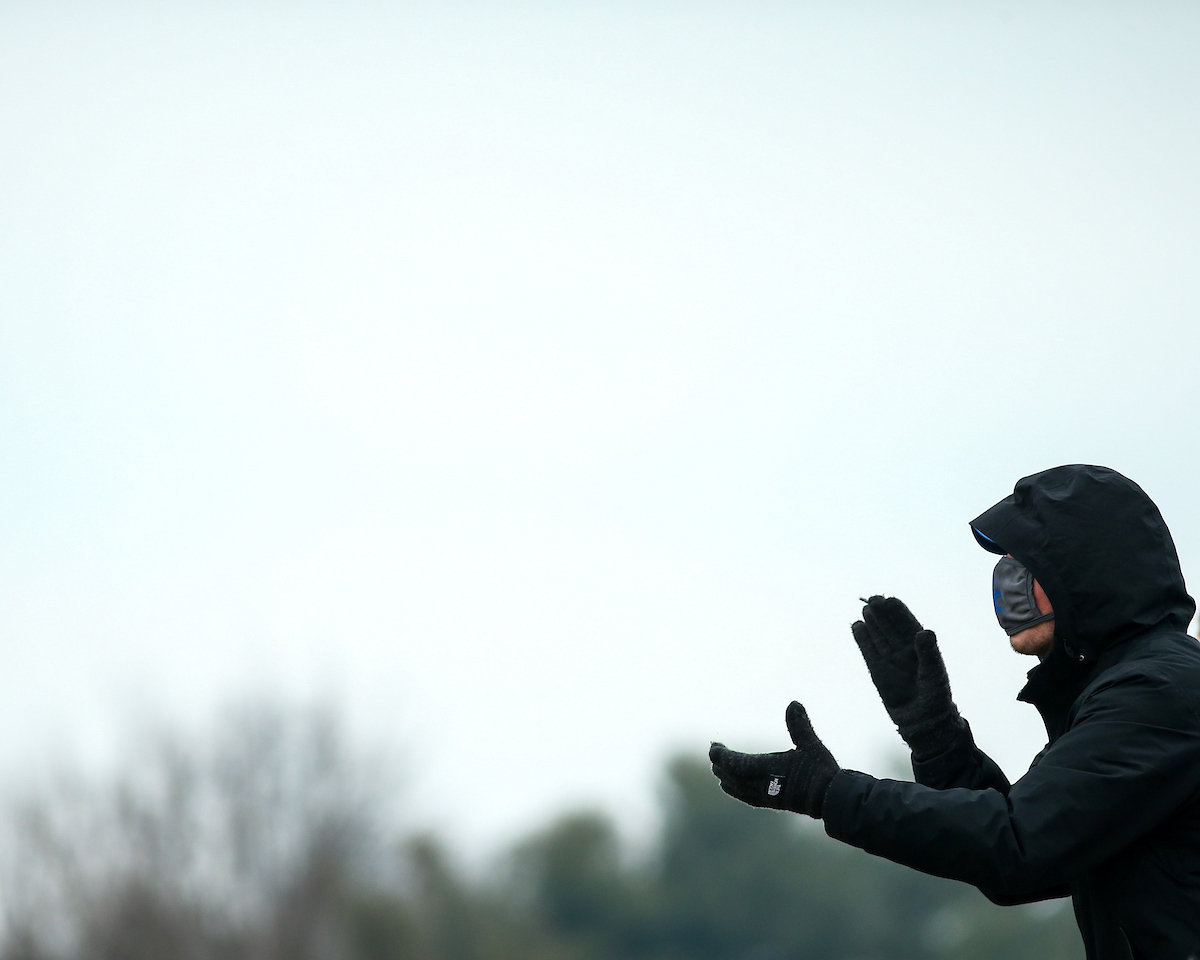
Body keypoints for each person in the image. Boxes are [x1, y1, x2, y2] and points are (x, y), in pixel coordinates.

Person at [709, 464, 1200, 960]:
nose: (1009, 585)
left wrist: (828, 792)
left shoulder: (1157, 692)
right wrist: (938, 741)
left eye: (1028, 565)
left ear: (1089, 571)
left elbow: (1017, 845)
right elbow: (1035, 850)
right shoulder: (1129, 688)